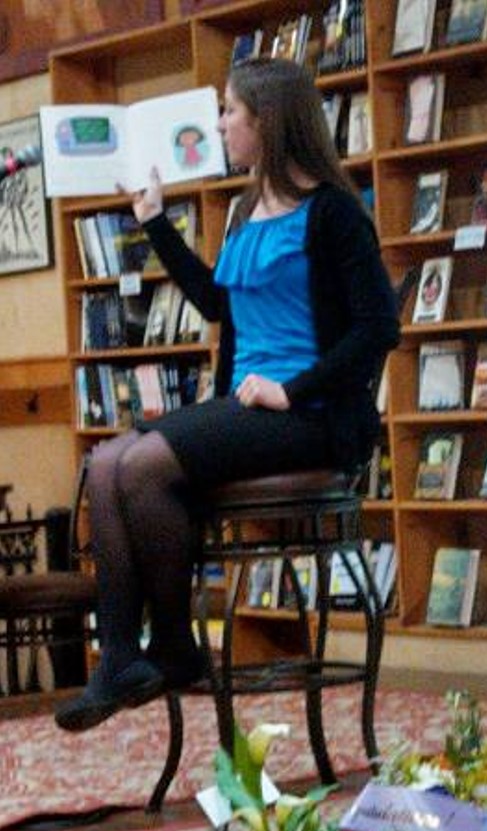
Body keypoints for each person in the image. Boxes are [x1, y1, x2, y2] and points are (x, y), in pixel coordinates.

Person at [55, 57, 400, 732]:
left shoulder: (333, 213)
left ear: (265, 122)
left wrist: (291, 388)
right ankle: (130, 652)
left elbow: (376, 328)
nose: (218, 124)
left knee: (142, 466)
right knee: (104, 464)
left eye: (228, 111)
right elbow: (218, 302)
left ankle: (170, 646)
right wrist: (155, 222)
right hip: (248, 403)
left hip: (310, 412)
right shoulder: (244, 207)